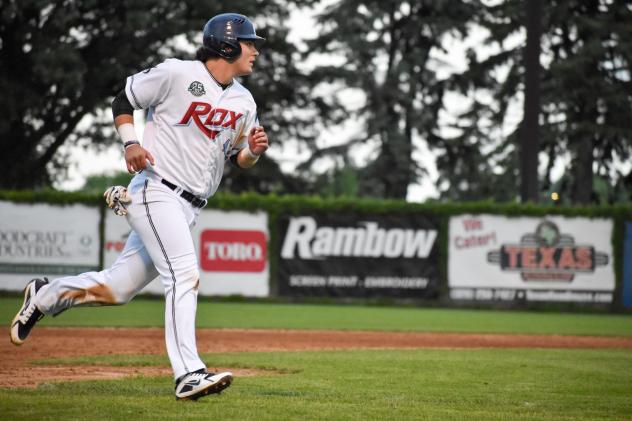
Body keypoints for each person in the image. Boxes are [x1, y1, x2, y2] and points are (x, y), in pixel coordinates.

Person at [9, 12, 269, 401]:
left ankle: (44, 296)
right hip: (156, 188)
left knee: (118, 289)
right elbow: (124, 98)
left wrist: (252, 151)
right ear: (227, 45)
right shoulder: (178, 74)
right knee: (184, 274)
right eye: (250, 43)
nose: (255, 51)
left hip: (190, 206)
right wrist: (130, 142)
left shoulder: (243, 100)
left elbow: (236, 158)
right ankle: (189, 373)